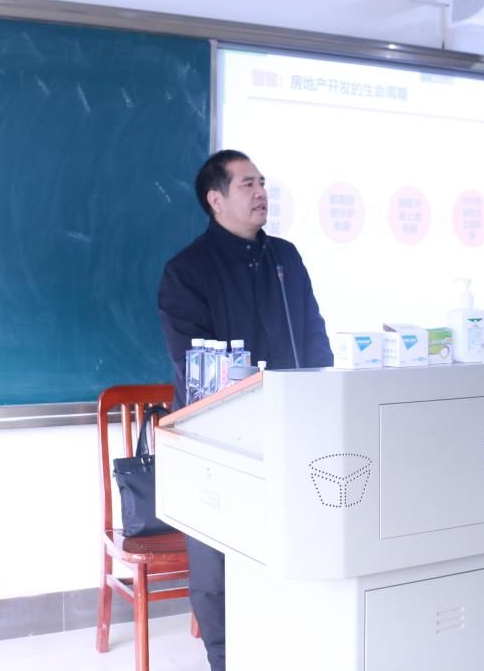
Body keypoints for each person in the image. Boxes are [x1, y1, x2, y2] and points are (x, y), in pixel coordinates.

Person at [157, 149, 333, 671]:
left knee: (288, 546)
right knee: (218, 563)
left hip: (289, 431)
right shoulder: (186, 270)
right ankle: (224, 658)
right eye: (247, 184)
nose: (261, 193)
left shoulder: (285, 258)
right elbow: (192, 363)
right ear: (216, 200)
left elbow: (314, 338)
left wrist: (318, 400)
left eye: (262, 182)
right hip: (217, 439)